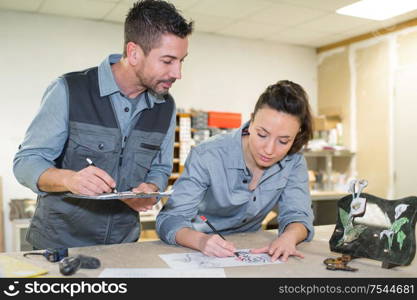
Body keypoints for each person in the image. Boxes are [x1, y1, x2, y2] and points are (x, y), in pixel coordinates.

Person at [13, 0, 193, 249]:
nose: (178, 73)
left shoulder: (166, 106)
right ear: (133, 53)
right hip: (59, 247)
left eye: (182, 60)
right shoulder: (69, 90)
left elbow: (160, 168)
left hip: (123, 246)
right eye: (168, 61)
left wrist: (150, 188)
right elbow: (26, 163)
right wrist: (69, 179)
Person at [156, 80, 314, 262]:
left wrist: (289, 237)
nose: (269, 149)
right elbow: (170, 218)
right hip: (197, 250)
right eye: (262, 134)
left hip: (251, 251)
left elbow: (298, 214)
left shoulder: (294, 161)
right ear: (252, 119)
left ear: (297, 134)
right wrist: (200, 241)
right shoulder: (208, 155)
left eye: (284, 141)